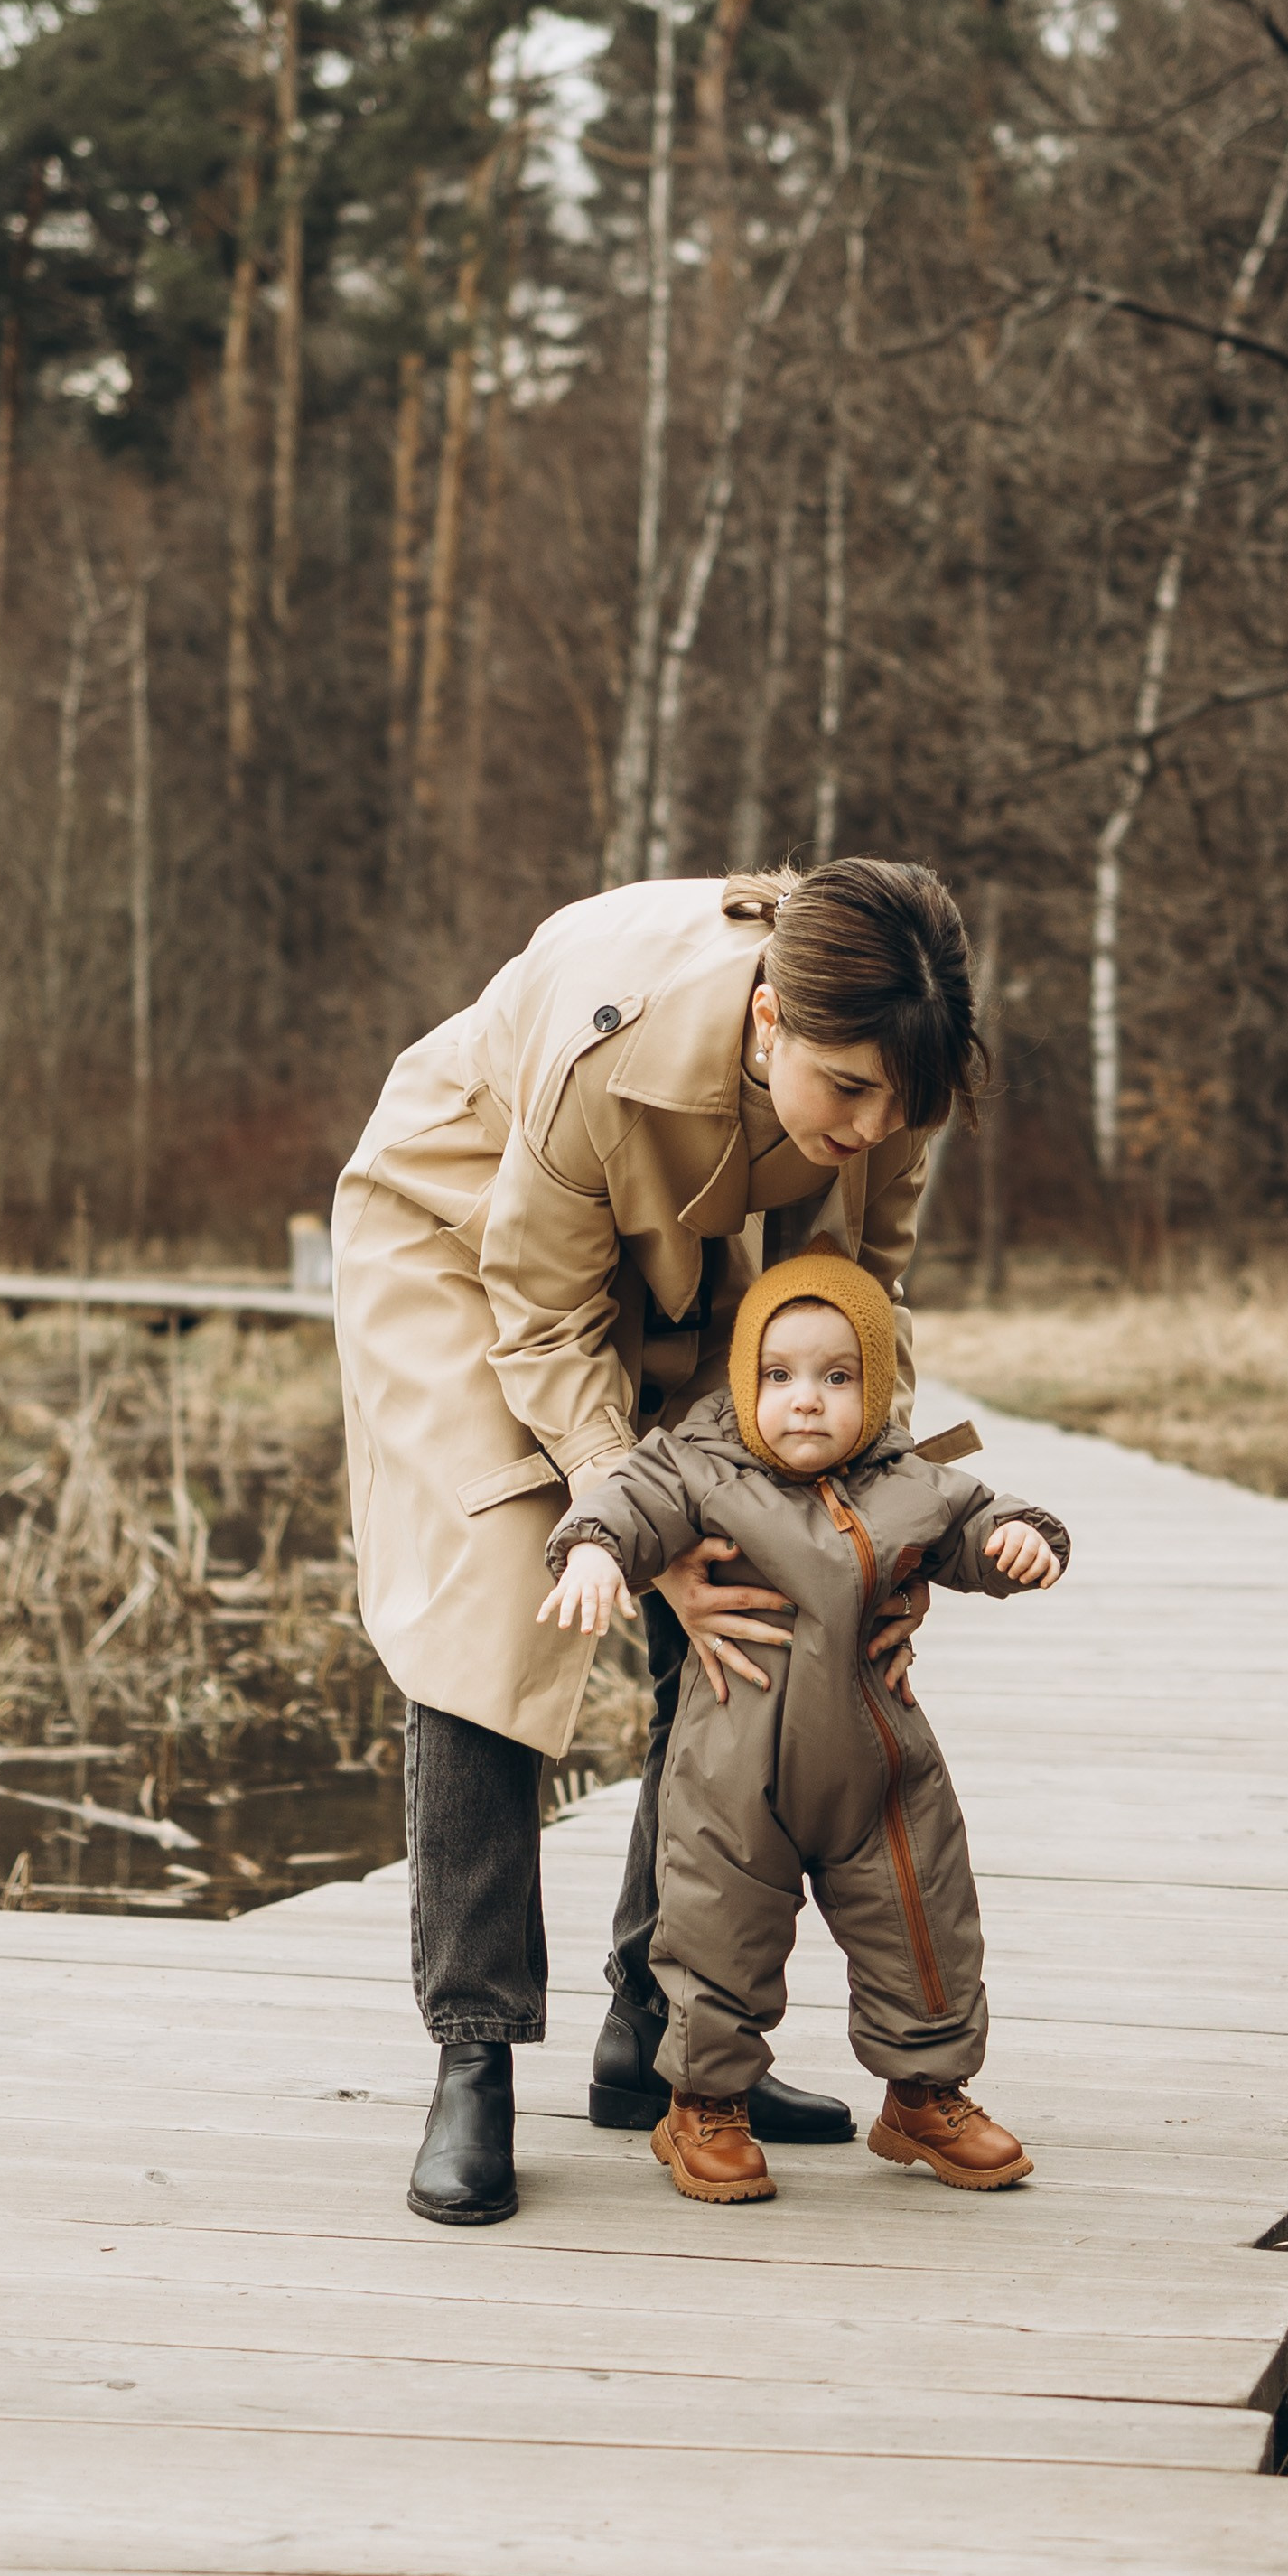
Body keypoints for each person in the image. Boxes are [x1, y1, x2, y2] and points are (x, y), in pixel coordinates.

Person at [332, 861, 986, 2226]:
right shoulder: (610, 1044)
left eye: (900, 1105)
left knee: (760, 1576)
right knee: (504, 1600)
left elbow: (865, 1298)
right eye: (847, 1092)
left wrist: (866, 1535)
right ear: (765, 1022)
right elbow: (543, 1317)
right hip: (472, 1243)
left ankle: (661, 2028)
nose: (873, 1130)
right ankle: (474, 2045)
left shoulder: (890, 1070)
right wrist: (639, 1535)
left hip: (701, 1257)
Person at [537, 1246, 1069, 2206]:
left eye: (835, 1377)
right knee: (715, 1930)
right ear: (745, 1383)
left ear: (875, 1388)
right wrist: (591, 1551)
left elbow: (978, 1514)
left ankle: (925, 2092)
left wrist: (1018, 1540)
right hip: (735, 1770)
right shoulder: (697, 1467)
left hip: (881, 1767)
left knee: (923, 1921)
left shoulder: (910, 1477)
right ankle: (703, 2103)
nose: (807, 1400)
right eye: (778, 1377)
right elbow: (626, 1499)